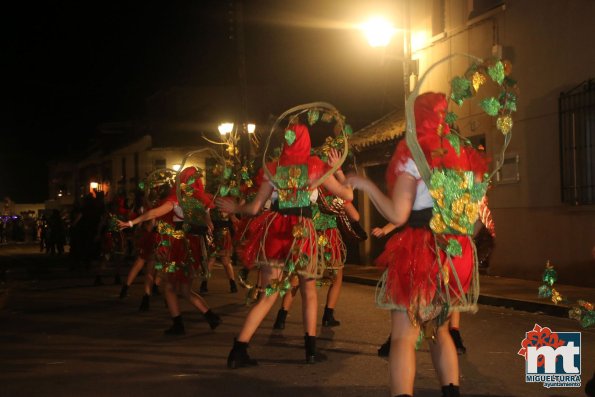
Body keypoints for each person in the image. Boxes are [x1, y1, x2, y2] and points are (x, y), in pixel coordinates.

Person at [346, 92, 489, 397]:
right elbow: (477, 221)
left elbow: (398, 213)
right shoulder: (466, 158)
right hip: (457, 254)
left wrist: (366, 185)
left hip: (423, 251)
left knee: (403, 336)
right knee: (440, 329)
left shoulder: (415, 155)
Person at [217, 121, 353, 369]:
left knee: (268, 295)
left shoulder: (273, 169)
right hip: (303, 230)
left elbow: (255, 208)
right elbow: (348, 196)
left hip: (276, 230)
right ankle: (310, 350)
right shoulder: (315, 168)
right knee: (308, 292)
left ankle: (238, 350)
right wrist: (338, 170)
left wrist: (235, 207)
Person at [118, 168, 221, 334]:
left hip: (180, 245)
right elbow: (209, 225)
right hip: (194, 247)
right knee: (185, 289)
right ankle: (211, 316)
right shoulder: (203, 199)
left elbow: (154, 212)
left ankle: (178, 325)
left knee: (170, 287)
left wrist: (131, 223)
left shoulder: (178, 197)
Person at [272, 148, 361, 329]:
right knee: (336, 276)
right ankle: (328, 315)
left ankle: (281, 317)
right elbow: (355, 216)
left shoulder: (307, 184)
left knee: (298, 277)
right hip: (329, 237)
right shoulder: (332, 189)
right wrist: (339, 172)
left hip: (307, 235)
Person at [199, 207, 239, 294]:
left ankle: (204, 284)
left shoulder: (209, 203)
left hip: (212, 232)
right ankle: (233, 285)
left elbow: (205, 216)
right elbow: (233, 219)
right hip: (223, 233)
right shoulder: (225, 203)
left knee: (211, 260)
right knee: (225, 260)